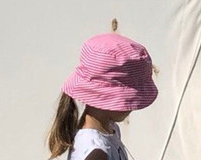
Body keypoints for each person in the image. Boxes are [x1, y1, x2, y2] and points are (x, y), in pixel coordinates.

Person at [47, 32, 160, 160]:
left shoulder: (111, 129)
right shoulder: (95, 150)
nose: (132, 107)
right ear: (107, 97)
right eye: (129, 100)